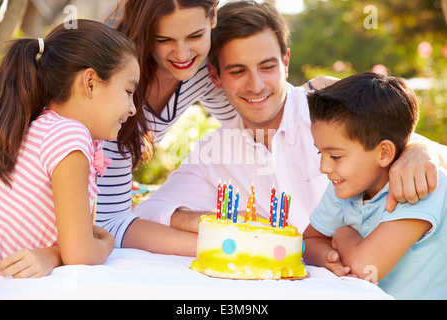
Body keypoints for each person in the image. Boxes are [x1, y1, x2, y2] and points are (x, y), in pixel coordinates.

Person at [136, 1, 446, 240]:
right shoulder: (214, 152)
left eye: (267, 66)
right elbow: (149, 212)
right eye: (238, 71)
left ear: (285, 61)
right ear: (216, 77)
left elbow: (426, 155)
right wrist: (207, 219)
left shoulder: (333, 114)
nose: (256, 85)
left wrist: (421, 149)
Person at [97, 0, 333, 250]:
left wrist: (320, 97)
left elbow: (260, 105)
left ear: (212, 20)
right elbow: (110, 224)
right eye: (164, 40)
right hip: (82, 219)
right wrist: (229, 237)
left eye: (195, 35)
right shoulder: (115, 81)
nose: (183, 54)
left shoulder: (202, 72)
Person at [0, 19, 174, 279]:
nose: (133, 108)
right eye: (128, 91)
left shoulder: (47, 127)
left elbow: (77, 243)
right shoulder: (69, 136)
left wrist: (54, 254)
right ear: (90, 82)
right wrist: (109, 242)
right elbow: (81, 255)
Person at [302, 72, 446, 299]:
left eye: (336, 156)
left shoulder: (419, 186)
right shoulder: (344, 186)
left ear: (384, 153)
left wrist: (342, 235)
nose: (324, 167)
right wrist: (329, 259)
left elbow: (366, 268)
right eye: (321, 152)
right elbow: (309, 241)